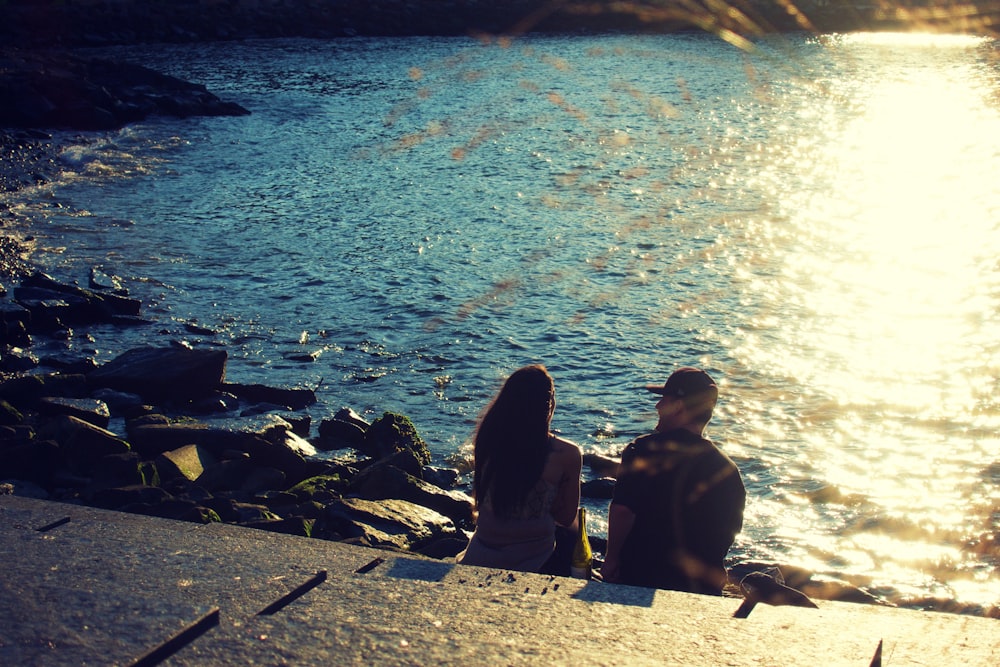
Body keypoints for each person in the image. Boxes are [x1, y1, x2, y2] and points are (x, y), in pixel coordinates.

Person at [601, 367, 745, 595]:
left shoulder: (643, 450)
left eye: (663, 400)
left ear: (678, 406)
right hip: (699, 588)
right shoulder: (727, 469)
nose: (657, 407)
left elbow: (622, 511)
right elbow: (726, 533)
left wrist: (611, 559)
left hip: (639, 578)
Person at [456, 364, 583, 573]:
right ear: (549, 404)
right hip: (535, 554)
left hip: (482, 547)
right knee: (573, 533)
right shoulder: (566, 454)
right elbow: (566, 517)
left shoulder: (488, 438)